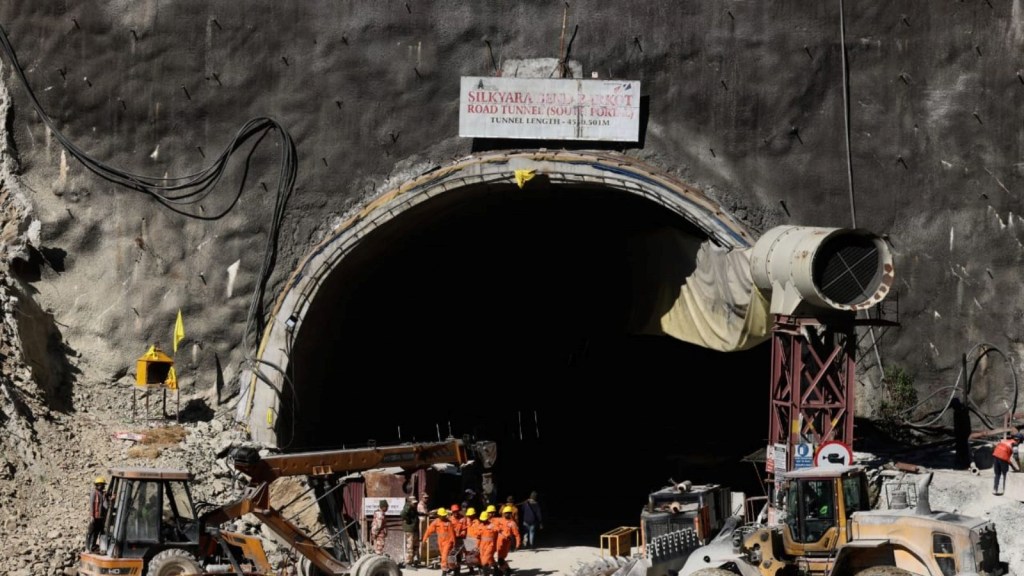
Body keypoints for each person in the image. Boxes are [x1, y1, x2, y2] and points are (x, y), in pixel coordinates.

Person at [423, 507, 457, 575]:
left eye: (444, 515)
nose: (444, 517)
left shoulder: (448, 523)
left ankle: (444, 571)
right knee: (446, 556)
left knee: (444, 556)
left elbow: (452, 533)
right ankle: (452, 568)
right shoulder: (436, 522)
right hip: (440, 542)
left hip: (448, 541)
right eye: (442, 515)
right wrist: (424, 540)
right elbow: (429, 530)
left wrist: (454, 542)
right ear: (439, 515)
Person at [495, 505, 521, 573]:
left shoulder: (512, 523)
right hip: (499, 543)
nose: (507, 514)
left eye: (509, 513)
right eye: (506, 513)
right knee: (500, 558)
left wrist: (518, 544)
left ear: (511, 514)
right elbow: (492, 523)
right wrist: (497, 528)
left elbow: (517, 535)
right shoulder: (499, 520)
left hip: (506, 543)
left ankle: (503, 571)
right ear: (503, 513)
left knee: (500, 559)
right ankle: (507, 570)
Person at [85, 476, 109, 552]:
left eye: (103, 485)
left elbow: (106, 506)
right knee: (90, 532)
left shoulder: (102, 494)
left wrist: (107, 498)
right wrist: (92, 516)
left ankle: (93, 546)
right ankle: (87, 548)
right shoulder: (94, 493)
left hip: (100, 517)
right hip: (94, 517)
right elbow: (91, 504)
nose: (103, 486)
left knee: (97, 532)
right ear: (97, 485)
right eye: (101, 485)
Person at [475, 510, 500, 575]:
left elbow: (499, 530)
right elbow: (478, 537)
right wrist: (477, 546)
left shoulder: (492, 525)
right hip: (482, 546)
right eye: (482, 519)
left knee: (484, 561)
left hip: (490, 545)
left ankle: (486, 574)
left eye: (484, 519)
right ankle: (497, 570)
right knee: (489, 559)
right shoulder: (480, 526)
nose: (483, 521)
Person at [401, 495, 420, 567]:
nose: (415, 504)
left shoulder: (413, 508)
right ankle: (408, 562)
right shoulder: (408, 507)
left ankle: (414, 560)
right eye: (414, 503)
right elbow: (402, 514)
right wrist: (408, 520)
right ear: (410, 502)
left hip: (414, 529)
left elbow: (416, 514)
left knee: (415, 545)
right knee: (410, 546)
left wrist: (424, 514)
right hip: (410, 529)